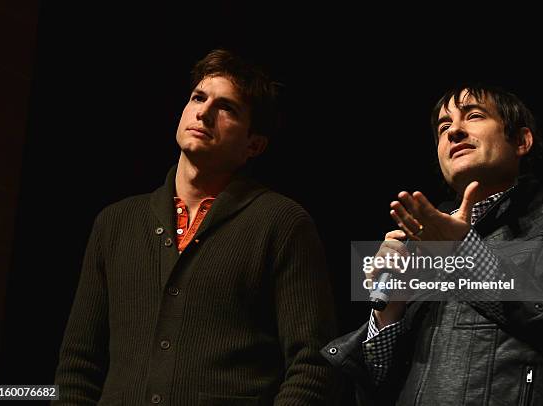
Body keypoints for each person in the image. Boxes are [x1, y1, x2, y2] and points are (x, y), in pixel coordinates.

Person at [53, 49, 338, 405]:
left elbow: (313, 364)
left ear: (254, 144)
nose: (203, 112)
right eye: (198, 98)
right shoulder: (115, 222)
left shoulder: (282, 223)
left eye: (227, 108)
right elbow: (78, 367)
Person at [322, 85, 543, 405]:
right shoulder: (419, 241)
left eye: (474, 116)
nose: (454, 130)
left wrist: (464, 253)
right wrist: (390, 310)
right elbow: (374, 387)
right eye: (444, 126)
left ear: (522, 141)